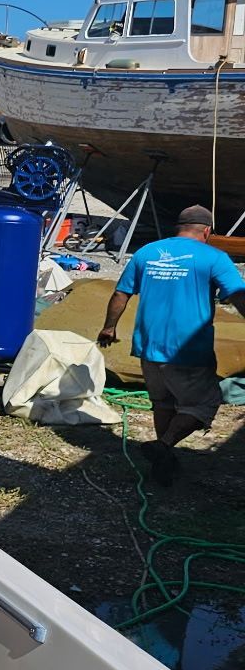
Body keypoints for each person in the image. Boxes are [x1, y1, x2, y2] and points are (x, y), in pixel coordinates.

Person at [98, 204, 245, 482]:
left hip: (149, 345)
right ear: (207, 231)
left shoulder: (146, 253)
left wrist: (109, 327)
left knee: (163, 403)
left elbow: (121, 294)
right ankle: (164, 446)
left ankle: (162, 462)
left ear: (178, 227)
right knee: (203, 403)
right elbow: (238, 295)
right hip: (188, 349)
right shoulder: (214, 257)